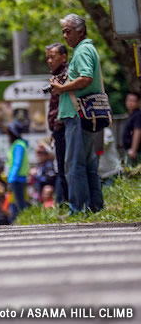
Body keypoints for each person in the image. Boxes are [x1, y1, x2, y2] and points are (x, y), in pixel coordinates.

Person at [50, 13, 105, 213]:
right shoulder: (87, 49)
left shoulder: (82, 51)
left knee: (73, 165)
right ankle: (94, 206)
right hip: (84, 114)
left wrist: (62, 88)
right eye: (63, 31)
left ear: (80, 31)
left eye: (68, 31)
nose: (65, 36)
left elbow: (86, 78)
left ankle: (78, 208)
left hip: (77, 113)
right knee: (88, 164)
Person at [45, 42, 69, 204]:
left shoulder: (66, 75)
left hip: (66, 127)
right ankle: (67, 204)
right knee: (62, 168)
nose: (49, 61)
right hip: (58, 129)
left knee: (66, 168)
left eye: (52, 57)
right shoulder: (57, 75)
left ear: (64, 57)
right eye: (47, 58)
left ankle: (71, 203)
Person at [6, 121, 29, 214]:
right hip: (18, 177)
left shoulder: (18, 145)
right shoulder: (18, 144)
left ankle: (24, 220)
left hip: (17, 178)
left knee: (19, 203)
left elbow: (17, 162)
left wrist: (11, 177)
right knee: (17, 201)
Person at [122, 92, 141, 167]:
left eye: (133, 101)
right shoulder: (131, 115)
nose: (130, 103)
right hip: (130, 150)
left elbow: (138, 131)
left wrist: (133, 150)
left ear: (138, 102)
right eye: (128, 100)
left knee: (132, 175)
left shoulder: (138, 115)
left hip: (135, 151)